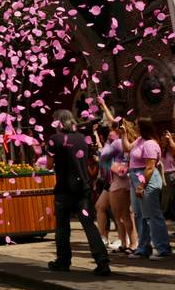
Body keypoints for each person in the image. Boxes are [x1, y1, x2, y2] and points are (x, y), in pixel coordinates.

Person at [46, 109, 110, 276]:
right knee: (89, 225)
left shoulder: (54, 139)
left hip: (64, 190)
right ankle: (102, 261)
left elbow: (48, 164)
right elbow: (87, 159)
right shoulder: (82, 139)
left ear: (58, 122)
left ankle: (63, 261)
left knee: (62, 226)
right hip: (82, 190)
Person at [121, 117, 172, 260]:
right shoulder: (138, 141)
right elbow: (126, 148)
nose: (134, 126)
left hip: (146, 179)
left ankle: (163, 249)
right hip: (135, 178)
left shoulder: (150, 144)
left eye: (136, 125)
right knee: (139, 215)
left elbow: (149, 167)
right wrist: (123, 134)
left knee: (153, 215)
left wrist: (141, 185)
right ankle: (144, 248)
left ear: (143, 127)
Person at [92, 124, 114, 248]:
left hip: (114, 181)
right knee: (101, 207)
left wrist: (99, 161)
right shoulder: (107, 146)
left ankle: (128, 240)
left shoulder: (112, 147)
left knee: (119, 213)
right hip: (107, 182)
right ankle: (103, 237)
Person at [160, 129, 175, 223]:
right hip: (164, 176)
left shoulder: (173, 151)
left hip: (172, 175)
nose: (165, 140)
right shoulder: (163, 151)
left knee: (172, 200)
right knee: (166, 199)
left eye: (167, 139)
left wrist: (170, 139)